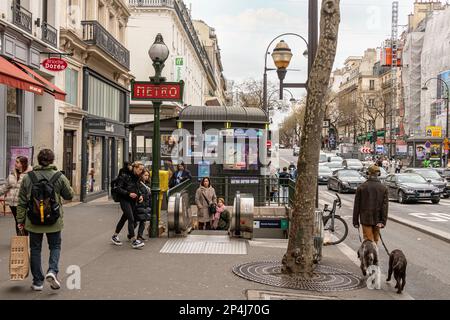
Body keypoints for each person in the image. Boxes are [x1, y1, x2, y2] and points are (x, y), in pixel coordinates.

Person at [16, 149, 74, 291]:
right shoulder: (59, 176)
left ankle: (37, 282)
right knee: (55, 246)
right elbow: (69, 195)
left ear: (38, 160)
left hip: (33, 221)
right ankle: (52, 271)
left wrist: (20, 220)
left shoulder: (28, 177)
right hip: (54, 221)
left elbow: (22, 201)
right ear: (52, 160)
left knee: (35, 249)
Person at [111, 161, 145, 249]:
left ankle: (114, 236)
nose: (141, 171)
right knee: (131, 218)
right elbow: (118, 188)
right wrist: (128, 194)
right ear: (135, 168)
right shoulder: (125, 175)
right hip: (124, 199)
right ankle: (134, 241)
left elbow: (137, 188)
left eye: (142, 170)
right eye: (140, 169)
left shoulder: (137, 177)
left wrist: (140, 195)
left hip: (132, 200)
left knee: (124, 218)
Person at [353, 165, 389, 245]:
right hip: (378, 219)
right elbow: (385, 207)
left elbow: (357, 206)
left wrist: (355, 221)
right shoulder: (383, 188)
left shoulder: (361, 187)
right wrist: (383, 221)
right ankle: (374, 255)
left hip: (365, 219)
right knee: (375, 241)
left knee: (368, 240)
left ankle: (369, 256)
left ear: (368, 173)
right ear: (378, 174)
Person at [0, 156, 32, 236]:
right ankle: (20, 239)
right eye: (16, 162)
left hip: (23, 203)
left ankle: (23, 239)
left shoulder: (29, 175)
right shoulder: (12, 174)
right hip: (12, 203)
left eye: (17, 162)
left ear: (23, 164)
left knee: (22, 221)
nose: (15, 164)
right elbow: (5, 187)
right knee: (18, 221)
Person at [136, 169, 151, 241]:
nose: (147, 177)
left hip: (146, 205)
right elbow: (140, 194)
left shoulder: (148, 184)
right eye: (145, 175)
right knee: (136, 221)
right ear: (141, 175)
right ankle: (131, 234)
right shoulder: (139, 184)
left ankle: (139, 235)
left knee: (143, 220)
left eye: (148, 175)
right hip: (140, 204)